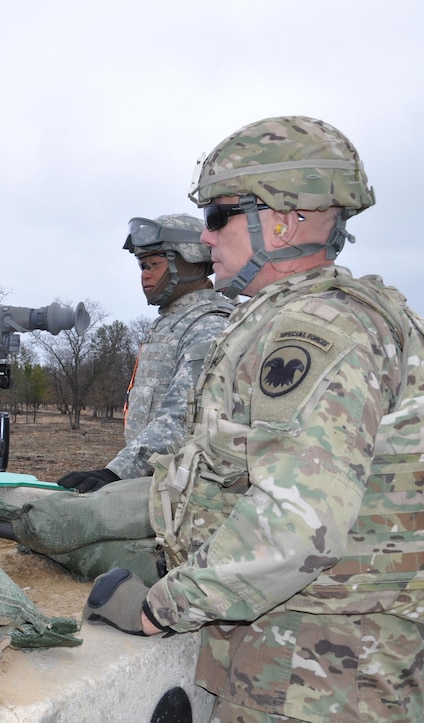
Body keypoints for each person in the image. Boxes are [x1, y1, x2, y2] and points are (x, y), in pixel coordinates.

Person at [83, 116, 424, 722]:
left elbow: (295, 525)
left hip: (319, 678)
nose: (205, 238)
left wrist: (159, 608)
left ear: (285, 220)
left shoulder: (316, 331)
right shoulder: (322, 314)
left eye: (218, 217)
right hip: (317, 659)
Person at [57, 213, 233, 493]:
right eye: (142, 266)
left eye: (154, 264)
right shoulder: (172, 322)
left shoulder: (208, 325)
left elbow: (184, 417)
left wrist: (117, 472)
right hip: (159, 484)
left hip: (191, 492)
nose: (145, 275)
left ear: (189, 261)